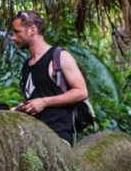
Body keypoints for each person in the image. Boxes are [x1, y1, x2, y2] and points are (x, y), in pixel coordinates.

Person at [10, 10, 89, 145]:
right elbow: (35, 98)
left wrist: (44, 102)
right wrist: (20, 108)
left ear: (32, 30)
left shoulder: (59, 56)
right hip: (33, 137)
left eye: (17, 32)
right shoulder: (26, 65)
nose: (13, 37)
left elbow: (81, 92)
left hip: (57, 137)